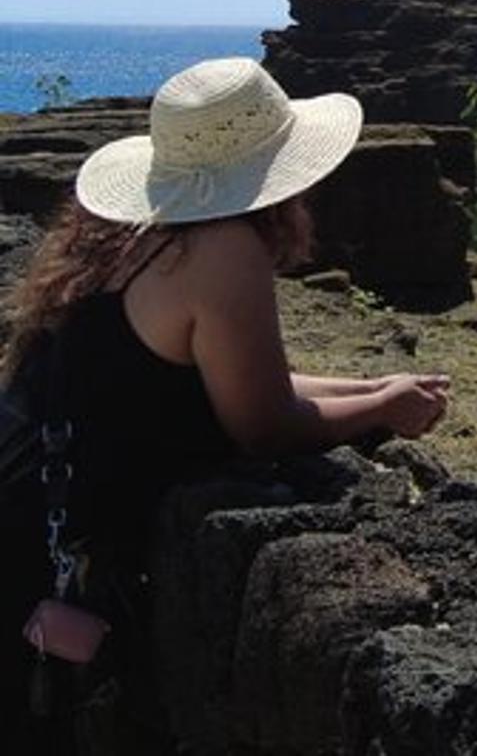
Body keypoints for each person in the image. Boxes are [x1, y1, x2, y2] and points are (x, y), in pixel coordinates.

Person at [0, 58, 451, 743]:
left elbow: (234, 381)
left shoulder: (134, 234)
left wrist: (374, 390)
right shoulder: (222, 248)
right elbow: (264, 423)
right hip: (36, 564)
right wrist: (381, 412)